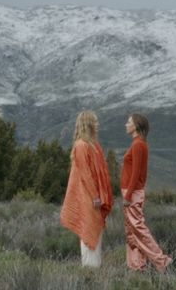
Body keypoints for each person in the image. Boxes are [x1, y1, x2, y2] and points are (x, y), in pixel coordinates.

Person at [60, 110, 113, 267]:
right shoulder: (81, 146)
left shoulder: (93, 145)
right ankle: (90, 270)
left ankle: (94, 268)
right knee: (88, 229)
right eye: (95, 122)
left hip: (93, 197)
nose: (97, 125)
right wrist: (95, 196)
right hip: (88, 197)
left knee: (95, 230)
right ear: (88, 124)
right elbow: (86, 173)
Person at [121, 113, 172, 272]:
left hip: (132, 193)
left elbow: (136, 173)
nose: (125, 124)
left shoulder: (138, 145)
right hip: (132, 192)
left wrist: (128, 195)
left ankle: (162, 261)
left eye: (128, 122)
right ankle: (136, 266)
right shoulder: (138, 143)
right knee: (131, 231)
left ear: (136, 126)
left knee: (138, 229)